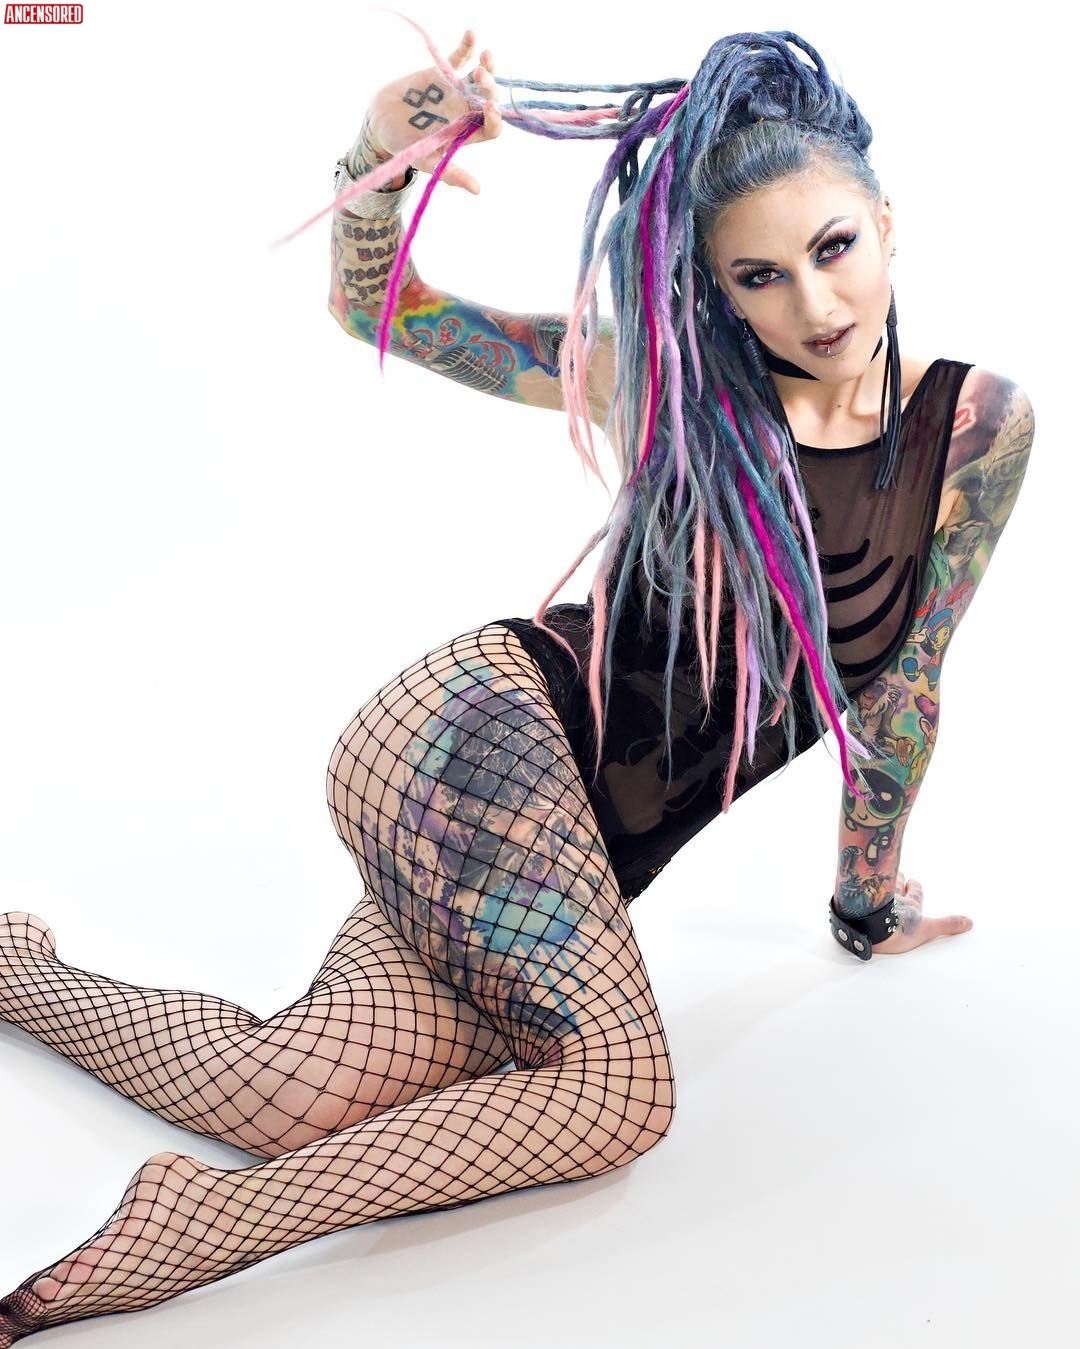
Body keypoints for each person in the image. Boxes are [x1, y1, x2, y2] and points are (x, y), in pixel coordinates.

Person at [0, 26, 1032, 1344]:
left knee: (285, 1090)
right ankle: (206, 1221)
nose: (815, 306)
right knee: (615, 1094)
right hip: (479, 737)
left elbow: (904, 688)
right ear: (719, 289)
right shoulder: (666, 381)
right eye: (760, 277)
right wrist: (378, 162)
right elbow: (388, 312)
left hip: (540, 861)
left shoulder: (979, 428)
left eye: (834, 249)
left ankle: (16, 970)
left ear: (885, 223)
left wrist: (864, 899)